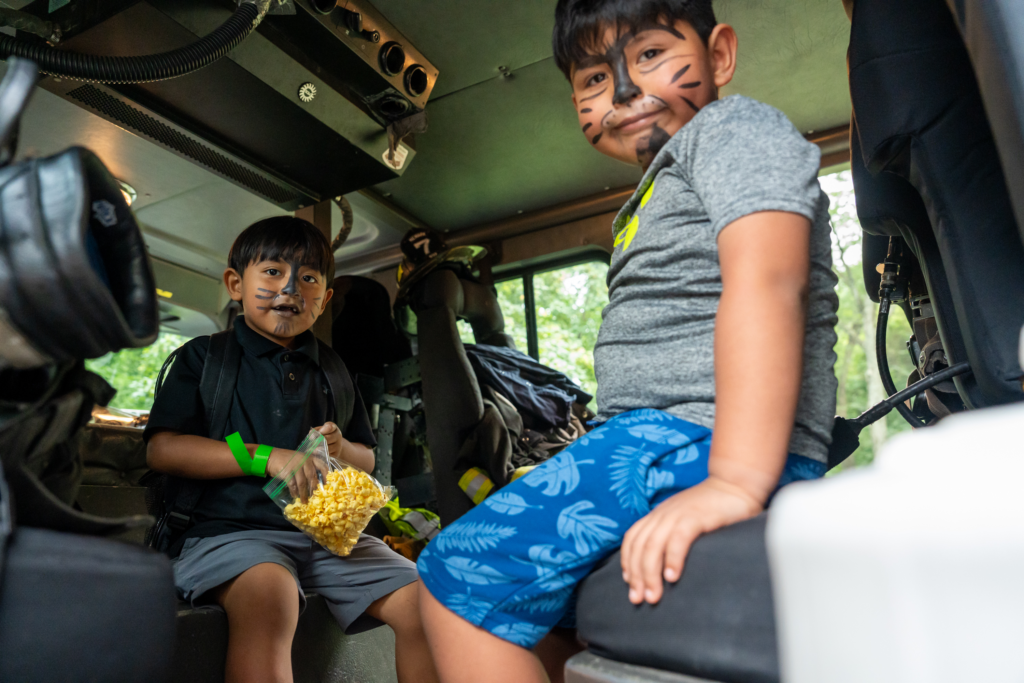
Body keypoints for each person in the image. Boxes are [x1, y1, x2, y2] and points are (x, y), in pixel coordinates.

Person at [416, 1, 839, 681]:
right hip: (662, 439)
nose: (621, 91)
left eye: (647, 55)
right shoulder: (647, 196)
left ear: (720, 55)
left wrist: (735, 477)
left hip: (692, 437)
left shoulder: (732, 128)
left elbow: (767, 280)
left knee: (452, 574)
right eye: (590, 79)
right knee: (543, 613)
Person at [145, 216, 439, 683]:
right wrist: (265, 456)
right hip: (227, 534)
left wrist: (342, 448)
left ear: (322, 300)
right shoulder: (205, 358)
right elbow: (164, 450)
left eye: (307, 278)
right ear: (236, 284)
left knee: (431, 602)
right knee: (271, 597)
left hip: (325, 539)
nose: (290, 288)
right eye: (273, 272)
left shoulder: (332, 370)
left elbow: (365, 457)